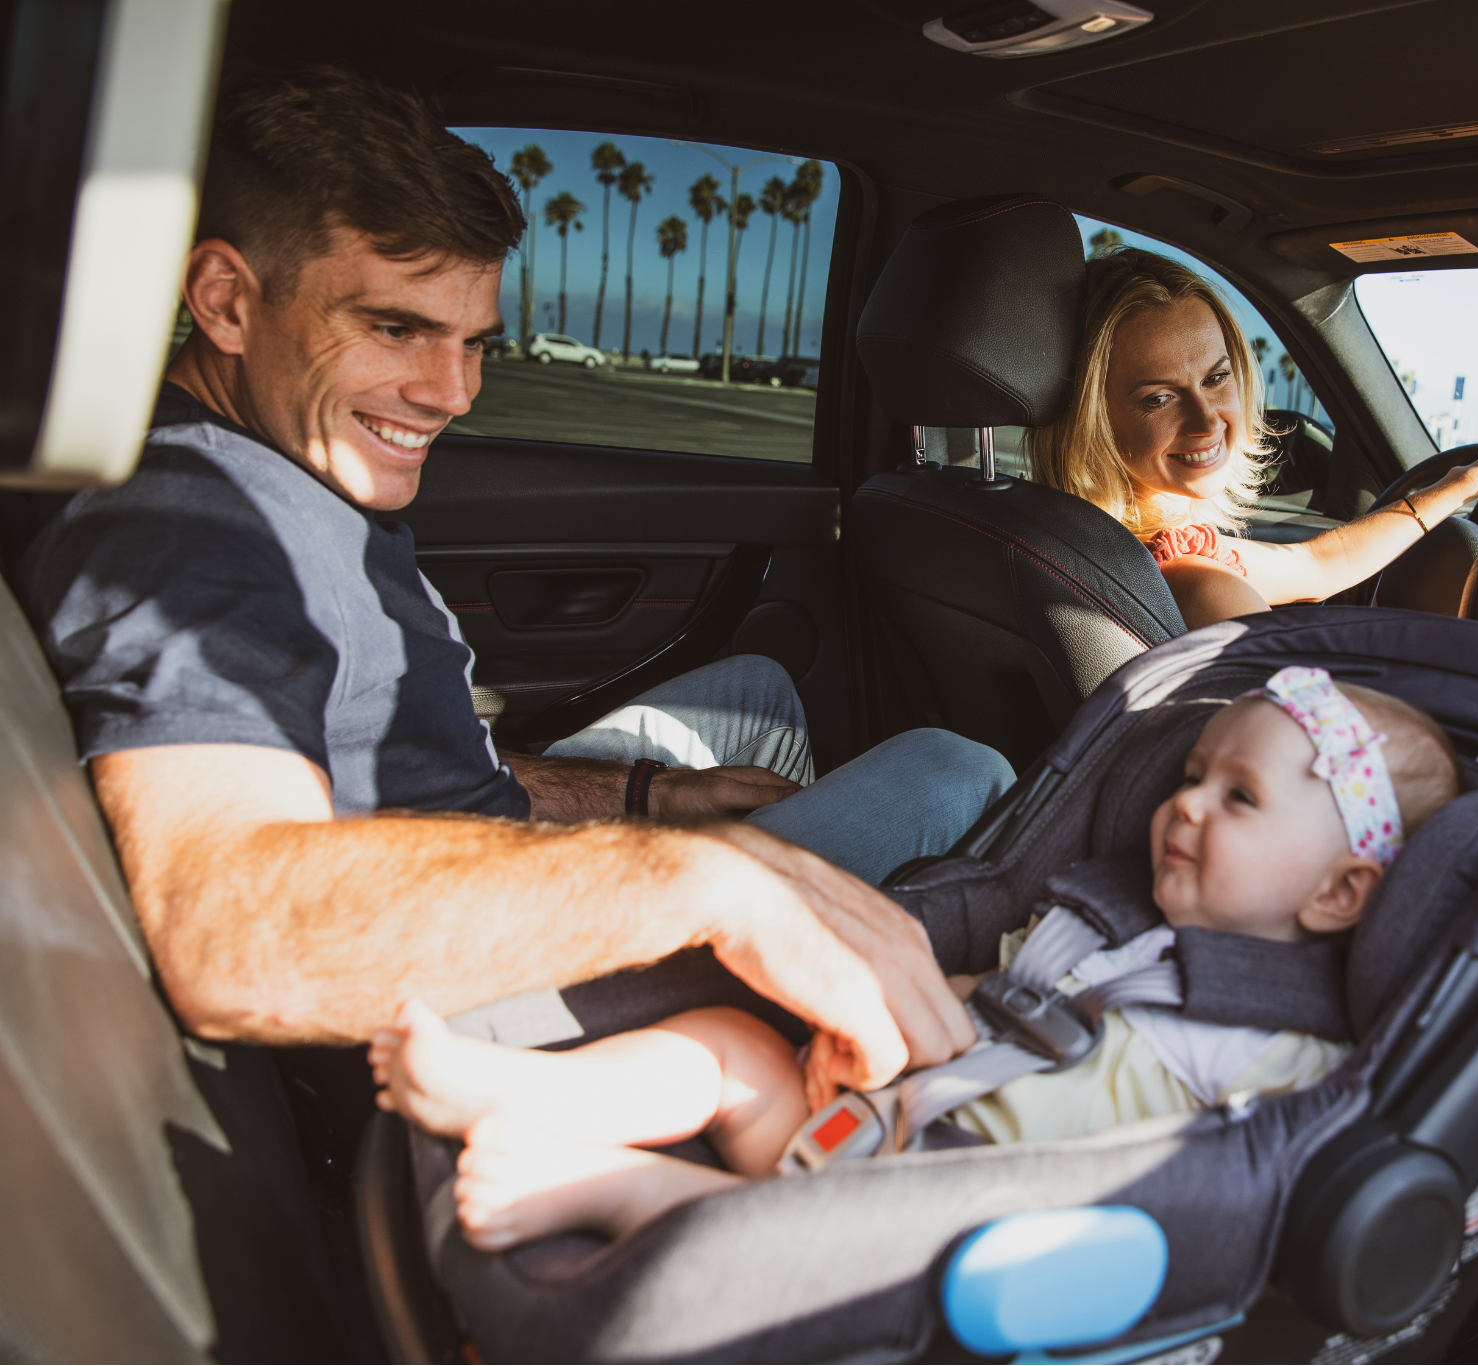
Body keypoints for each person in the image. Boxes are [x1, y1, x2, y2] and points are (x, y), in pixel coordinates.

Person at [22, 68, 1000, 1098]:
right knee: (949, 771)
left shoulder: (266, 465)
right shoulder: (190, 530)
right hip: (454, 1027)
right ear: (226, 301)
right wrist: (708, 881)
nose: (451, 394)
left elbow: (379, 765)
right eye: (394, 327)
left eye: (473, 341)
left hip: (452, 845)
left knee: (753, 688)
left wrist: (647, 797)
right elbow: (229, 932)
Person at [370, 667, 1458, 1251]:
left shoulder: (1278, 1049)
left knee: (806, 1232)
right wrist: (865, 1041)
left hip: (951, 1221)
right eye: (1189, 773)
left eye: (1240, 798)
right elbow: (985, 993)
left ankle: (618, 1191)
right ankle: (515, 1083)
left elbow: (1235, 1195)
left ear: (1337, 891)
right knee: (732, 1048)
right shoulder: (1104, 918)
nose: (1181, 805)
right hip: (870, 1120)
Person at [1028, 248, 1478, 630]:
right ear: (1092, 418)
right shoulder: (1196, 581)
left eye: (1216, 378)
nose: (1206, 421)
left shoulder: (1081, 539)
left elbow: (1318, 565)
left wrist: (1468, 481)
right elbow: (1312, 765)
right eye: (1157, 398)